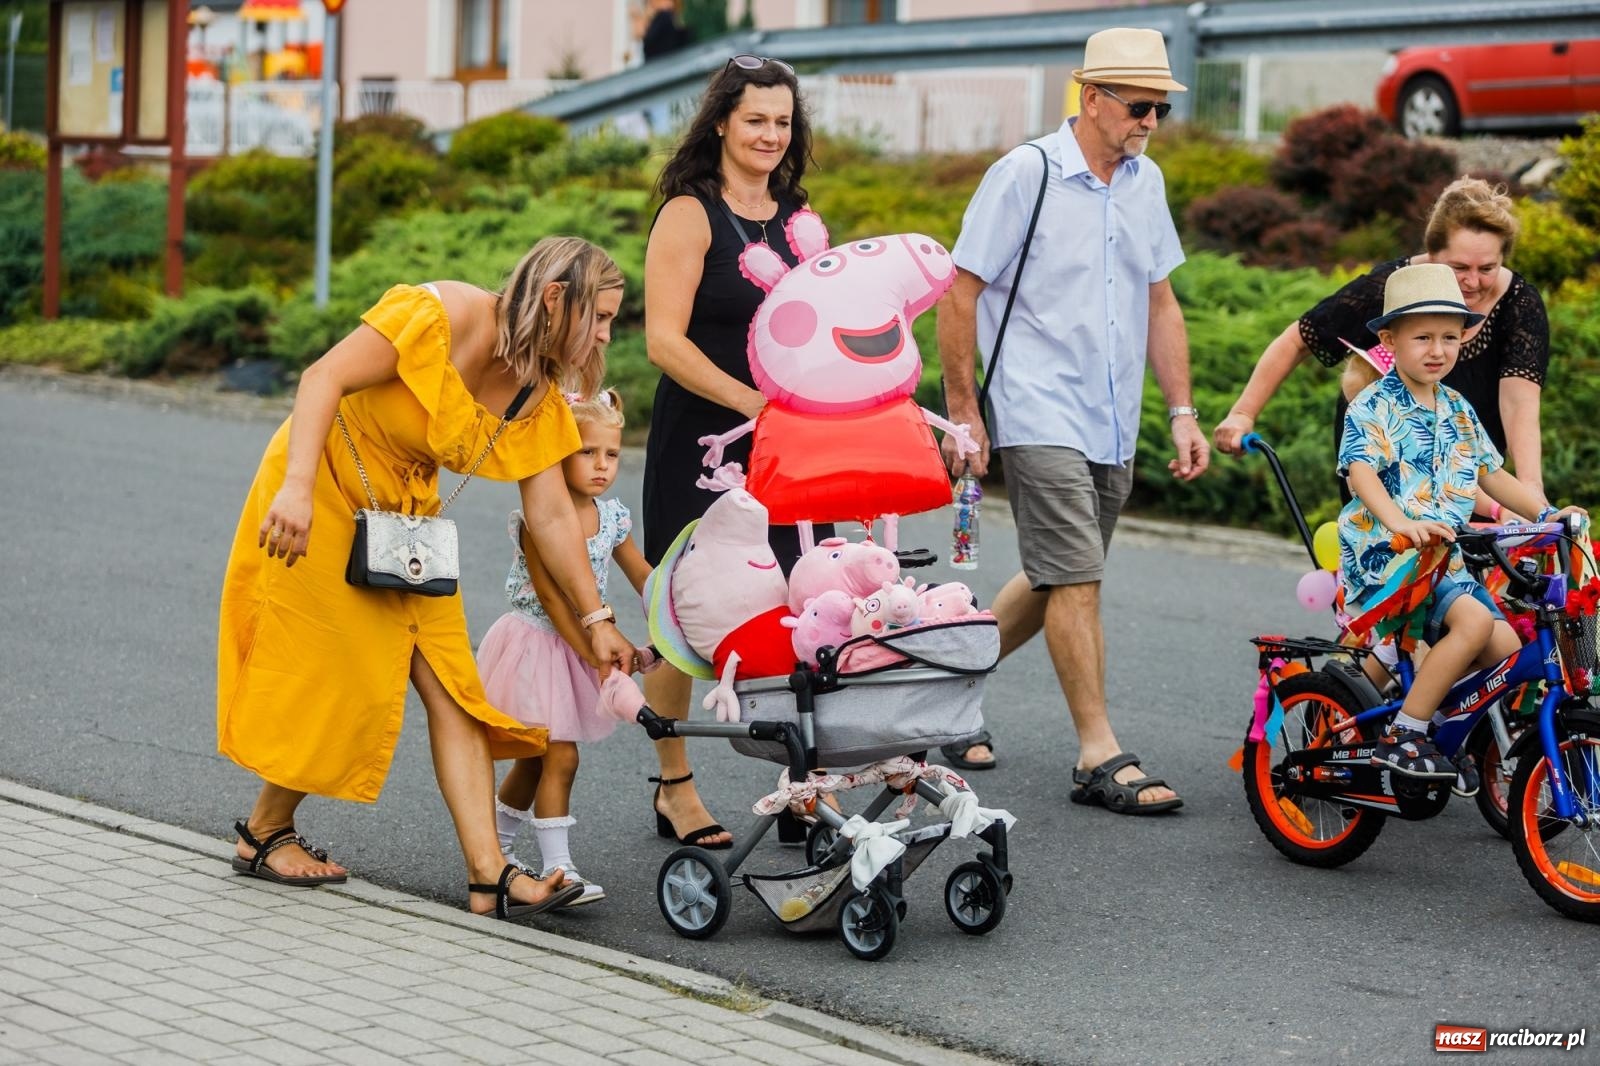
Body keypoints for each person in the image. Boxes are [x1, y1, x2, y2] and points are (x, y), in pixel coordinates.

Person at [217, 237, 636, 920]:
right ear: (557, 298)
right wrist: (292, 490)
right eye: (601, 316)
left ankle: (488, 875)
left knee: (453, 686)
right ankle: (264, 831)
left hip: (405, 522)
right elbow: (322, 377)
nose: (605, 334)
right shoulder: (443, 314)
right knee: (340, 670)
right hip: (318, 491)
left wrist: (598, 620)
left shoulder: (537, 389)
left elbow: (554, 515)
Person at [936, 27, 1207, 811]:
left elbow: (1161, 299)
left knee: (1060, 573)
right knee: (1078, 576)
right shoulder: (1026, 174)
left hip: (1112, 415)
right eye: (1139, 106)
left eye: (1160, 108)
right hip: (1034, 405)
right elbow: (961, 292)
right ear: (1091, 99)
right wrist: (964, 415)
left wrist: (1182, 412)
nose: (1151, 121)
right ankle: (1099, 753)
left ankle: (942, 688)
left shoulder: (1144, 182)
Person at [641, 53, 821, 847]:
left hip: (790, 446)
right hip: (707, 440)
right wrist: (751, 402)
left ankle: (803, 784)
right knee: (687, 612)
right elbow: (660, 341)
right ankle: (674, 787)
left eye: (782, 122)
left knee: (800, 602)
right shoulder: (690, 212)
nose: (770, 136)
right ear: (720, 121)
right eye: (755, 120)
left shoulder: (799, 215)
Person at [1336, 262, 1582, 786]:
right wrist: (1401, 521)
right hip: (1392, 554)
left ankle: (1446, 724)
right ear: (1389, 340)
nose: (1437, 350)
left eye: (1450, 337)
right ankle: (1406, 733)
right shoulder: (1374, 406)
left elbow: (1492, 475)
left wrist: (1546, 513)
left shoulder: (1457, 408)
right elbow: (1363, 476)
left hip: (1442, 558)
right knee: (1472, 624)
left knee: (1505, 650)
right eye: (1422, 337)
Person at [1215, 177, 1550, 515]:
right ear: (1432, 255)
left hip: (1465, 462)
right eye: (1459, 268)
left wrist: (1530, 492)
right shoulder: (1394, 290)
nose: (1473, 282)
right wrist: (1243, 414)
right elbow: (1298, 339)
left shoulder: (1515, 310)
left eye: (1487, 268)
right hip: (1386, 454)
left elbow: (1518, 403)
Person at [480, 389, 651, 907]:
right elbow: (555, 602)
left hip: (579, 649)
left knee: (534, 763)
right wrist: (596, 655)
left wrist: (678, 610)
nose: (601, 466)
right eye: (586, 452)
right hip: (537, 648)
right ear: (557, 452)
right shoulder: (538, 518)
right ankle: (560, 867)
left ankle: (496, 850)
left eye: (612, 454)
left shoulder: (614, 517)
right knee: (560, 757)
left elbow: (643, 576)